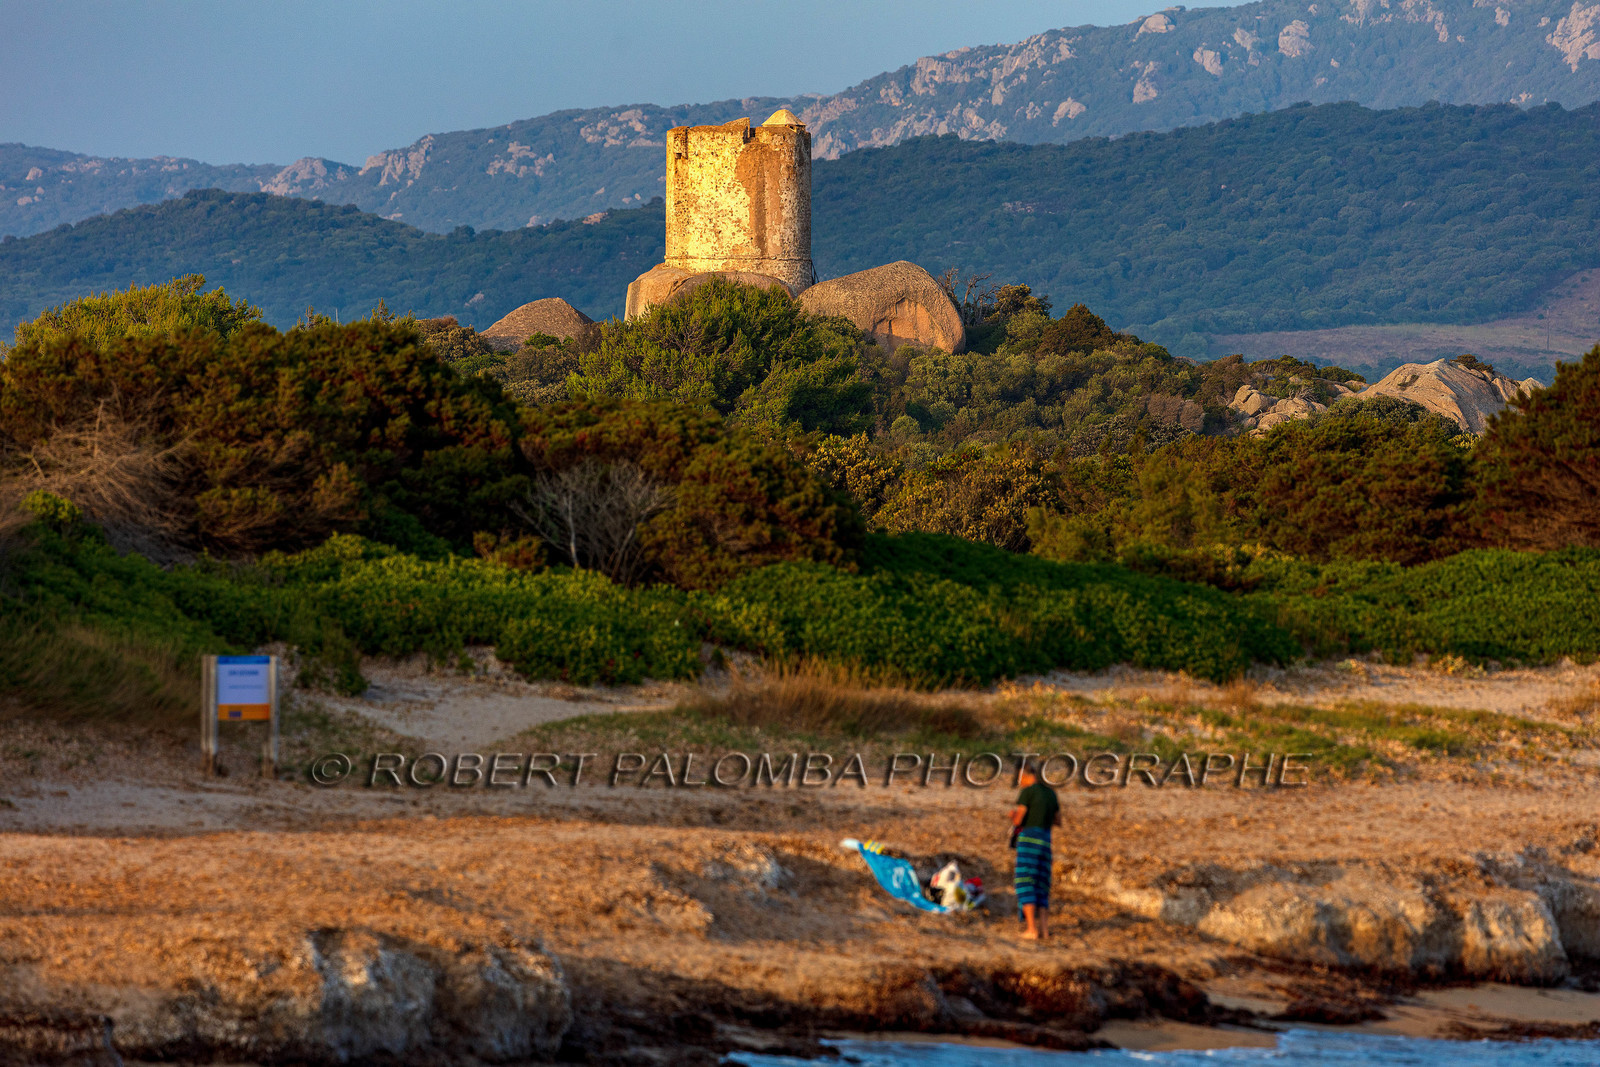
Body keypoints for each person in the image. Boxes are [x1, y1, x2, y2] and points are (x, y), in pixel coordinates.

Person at [1009, 758, 1059, 941]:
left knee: (1024, 881)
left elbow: (1018, 819)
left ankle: (1031, 928)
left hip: (1029, 838)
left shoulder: (1028, 792)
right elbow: (1058, 820)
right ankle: (1045, 931)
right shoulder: (1051, 794)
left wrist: (1013, 816)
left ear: (1024, 774)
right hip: (1046, 840)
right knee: (1042, 884)